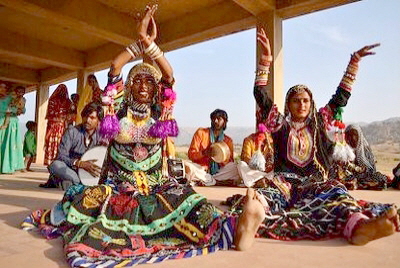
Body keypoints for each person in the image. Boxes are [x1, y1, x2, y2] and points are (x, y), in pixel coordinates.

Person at [22, 5, 265, 267]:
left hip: (155, 184)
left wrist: (152, 47)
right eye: (137, 81)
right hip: (119, 185)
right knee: (94, 204)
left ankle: (234, 229)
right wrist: (138, 45)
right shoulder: (115, 113)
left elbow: (170, 76)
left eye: (150, 83)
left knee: (189, 199)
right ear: (127, 90)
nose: (143, 86)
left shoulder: (160, 116)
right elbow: (114, 69)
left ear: (156, 92)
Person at [226, 28, 399, 245]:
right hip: (285, 182)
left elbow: (340, 98)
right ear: (288, 104)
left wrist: (353, 63)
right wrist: (266, 60)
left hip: (316, 182)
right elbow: (260, 95)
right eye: (296, 100)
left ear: (311, 103)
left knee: (337, 193)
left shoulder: (320, 122)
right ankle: (251, 220)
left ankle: (359, 227)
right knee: (266, 194)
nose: (302, 104)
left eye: (306, 100)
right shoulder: (279, 123)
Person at [39, 102, 103, 189]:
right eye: (85, 116)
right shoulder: (71, 131)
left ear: (99, 121)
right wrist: (79, 163)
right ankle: (78, 183)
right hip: (70, 169)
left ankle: (70, 183)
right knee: (55, 165)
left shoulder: (101, 136)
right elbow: (61, 156)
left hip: (88, 172)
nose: (87, 120)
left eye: (92, 118)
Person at [187, 109, 240, 186]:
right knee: (188, 166)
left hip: (219, 172)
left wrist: (220, 157)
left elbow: (230, 161)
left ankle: (209, 180)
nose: (215, 121)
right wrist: (204, 153)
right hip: (202, 169)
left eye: (219, 119)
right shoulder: (201, 133)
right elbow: (191, 155)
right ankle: (216, 181)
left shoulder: (228, 140)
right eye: (213, 118)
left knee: (236, 167)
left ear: (225, 122)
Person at [329, 124, 389, 190]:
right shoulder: (344, 149)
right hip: (349, 176)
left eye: (355, 135)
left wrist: (351, 166)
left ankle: (358, 184)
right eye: (349, 135)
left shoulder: (365, 150)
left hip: (364, 176)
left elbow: (370, 170)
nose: (352, 138)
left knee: (380, 178)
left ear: (359, 136)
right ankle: (355, 184)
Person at [44, 84, 72, 165]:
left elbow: (70, 114)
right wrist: (60, 116)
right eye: (61, 90)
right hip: (54, 126)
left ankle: (60, 161)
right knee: (52, 143)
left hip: (63, 126)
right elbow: (50, 113)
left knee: (62, 144)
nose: (62, 92)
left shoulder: (68, 102)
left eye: (64, 90)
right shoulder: (52, 100)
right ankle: (51, 162)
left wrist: (66, 117)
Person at [0, 85, 26, 173]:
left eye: (4, 87)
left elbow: (22, 110)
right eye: (1, 87)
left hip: (10, 123)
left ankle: (8, 167)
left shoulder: (10, 98)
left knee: (9, 144)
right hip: (4, 121)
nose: (3, 89)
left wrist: (14, 110)